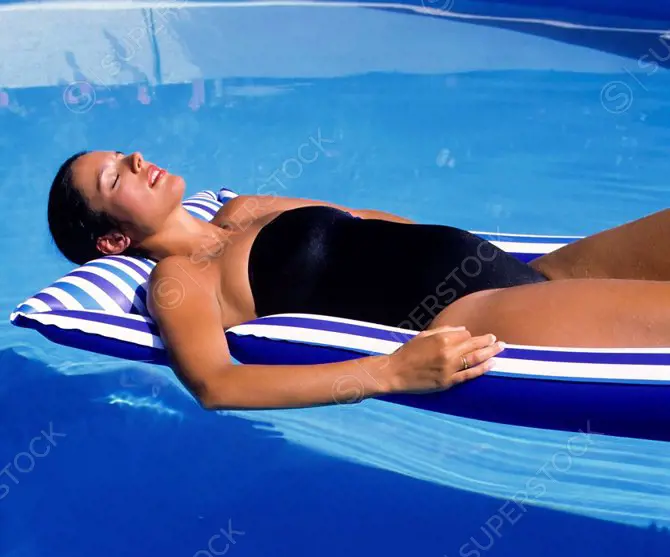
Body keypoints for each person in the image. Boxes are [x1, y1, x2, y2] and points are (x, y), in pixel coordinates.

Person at [48, 150, 670, 412]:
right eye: (112, 179)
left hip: (518, 266)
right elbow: (216, 385)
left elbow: (375, 222)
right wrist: (390, 373)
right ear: (112, 242)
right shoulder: (181, 281)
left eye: (122, 153)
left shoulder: (243, 208)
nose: (133, 160)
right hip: (481, 312)